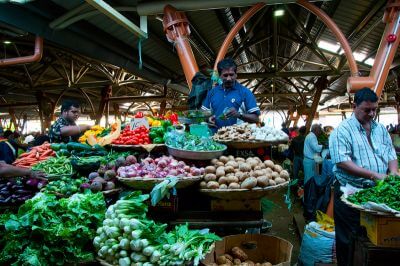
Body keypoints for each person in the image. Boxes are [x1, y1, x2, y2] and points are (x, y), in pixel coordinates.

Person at [329, 88, 398, 266]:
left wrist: (393, 173)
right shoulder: (342, 131)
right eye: (367, 110)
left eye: (374, 109)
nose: (372, 113)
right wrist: (374, 175)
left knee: (372, 239)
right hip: (350, 193)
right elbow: (342, 161)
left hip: (375, 193)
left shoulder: (380, 129)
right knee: (348, 238)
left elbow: (391, 154)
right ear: (354, 106)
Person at [201, 58, 260, 131]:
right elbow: (202, 114)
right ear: (220, 76)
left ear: (236, 75)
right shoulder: (212, 92)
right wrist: (208, 119)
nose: (229, 78)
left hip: (237, 139)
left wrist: (239, 115)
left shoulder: (245, 92)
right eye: (225, 75)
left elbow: (256, 119)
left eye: (231, 75)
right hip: (215, 138)